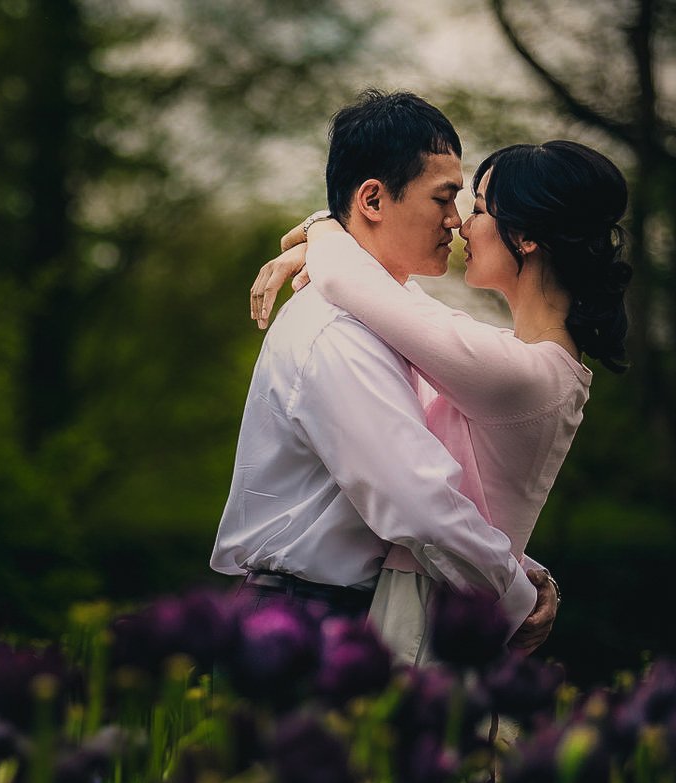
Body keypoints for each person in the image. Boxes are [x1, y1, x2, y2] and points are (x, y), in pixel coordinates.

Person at [247, 136, 630, 665]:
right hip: (445, 594)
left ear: (526, 236)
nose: (461, 224)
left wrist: (324, 227)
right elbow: (396, 300)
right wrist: (523, 574)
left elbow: (372, 293)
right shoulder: (517, 361)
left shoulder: (521, 373)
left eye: (479, 209)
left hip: (435, 609)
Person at [212, 90, 558, 652]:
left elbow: (438, 494)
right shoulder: (337, 330)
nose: (457, 220)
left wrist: (521, 570)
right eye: (443, 198)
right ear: (373, 199)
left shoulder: (392, 317)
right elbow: (417, 504)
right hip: (304, 623)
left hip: (354, 610)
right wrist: (513, 596)